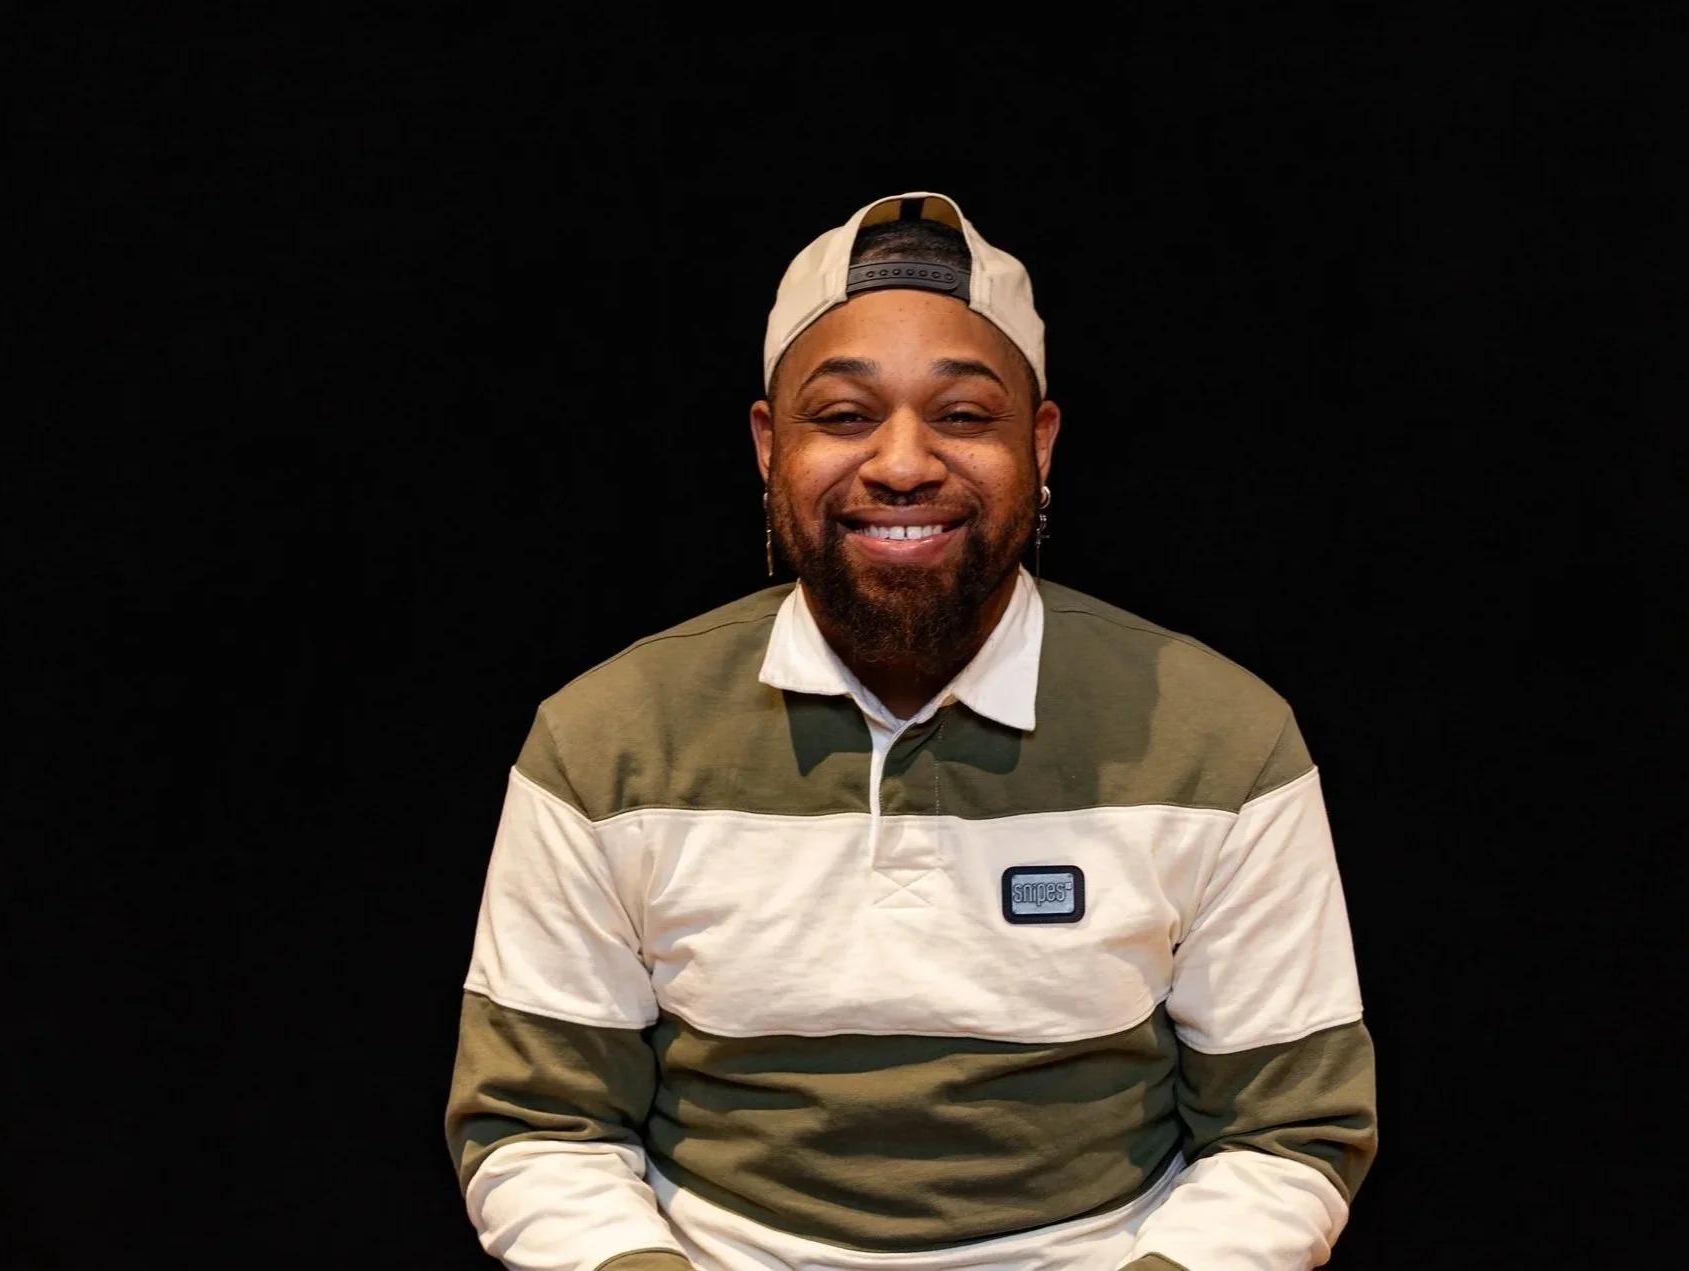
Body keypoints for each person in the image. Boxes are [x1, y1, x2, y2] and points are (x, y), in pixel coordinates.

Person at [445, 191, 1377, 1271]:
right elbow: (538, 1126)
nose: (900, 462)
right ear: (766, 444)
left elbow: (1285, 1133)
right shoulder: (603, 738)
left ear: (1040, 442)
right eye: (842, 415)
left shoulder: (1224, 737)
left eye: (964, 416)